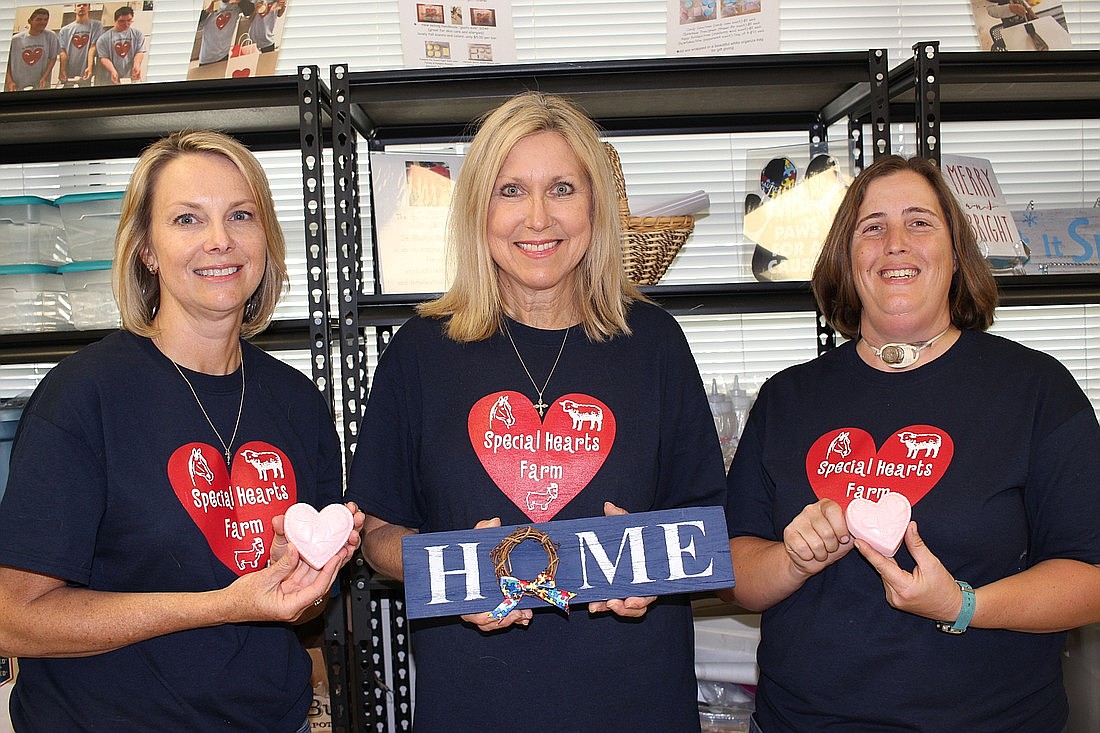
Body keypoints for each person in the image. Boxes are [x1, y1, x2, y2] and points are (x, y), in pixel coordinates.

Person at [345, 91, 727, 731]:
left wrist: (657, 571)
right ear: (478, 210)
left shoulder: (655, 343)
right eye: (511, 191)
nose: (538, 217)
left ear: (595, 206)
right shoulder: (419, 353)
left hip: (635, 702)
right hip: (474, 704)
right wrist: (455, 566)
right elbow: (376, 534)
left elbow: (710, 519)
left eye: (562, 189)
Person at [0, 130, 365, 731]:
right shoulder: (84, 396)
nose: (219, 240)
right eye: (187, 220)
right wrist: (221, 606)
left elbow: (300, 614)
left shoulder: (297, 401)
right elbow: (15, 617)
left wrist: (306, 576)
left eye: (240, 216)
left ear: (267, 239)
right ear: (146, 249)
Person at [723, 154, 1100, 732]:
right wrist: (792, 559)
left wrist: (962, 605)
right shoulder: (787, 399)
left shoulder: (1036, 390)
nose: (895, 243)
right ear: (847, 262)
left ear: (956, 255)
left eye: (920, 222)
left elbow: (1090, 577)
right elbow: (736, 573)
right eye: (870, 228)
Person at [4, 8, 60, 92]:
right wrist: (9, 81)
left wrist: (44, 77)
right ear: (30, 21)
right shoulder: (15, 40)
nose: (43, 22)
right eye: (39, 19)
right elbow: (5, 63)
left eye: (46, 19)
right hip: (18, 85)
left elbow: (53, 58)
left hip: (40, 85)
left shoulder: (51, 36)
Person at [94, 5, 147, 85]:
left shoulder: (138, 34)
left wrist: (136, 65)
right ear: (115, 20)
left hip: (131, 77)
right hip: (110, 79)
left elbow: (140, 52)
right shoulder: (103, 39)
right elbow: (103, 57)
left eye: (129, 20)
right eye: (122, 21)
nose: (126, 24)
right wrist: (113, 71)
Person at [57, 3, 103, 87]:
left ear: (89, 8)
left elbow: (93, 47)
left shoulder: (96, 25)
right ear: (74, 9)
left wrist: (90, 67)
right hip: (69, 70)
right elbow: (63, 52)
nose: (82, 7)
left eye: (84, 5)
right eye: (79, 5)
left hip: (86, 69)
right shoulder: (65, 30)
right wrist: (62, 69)